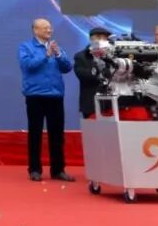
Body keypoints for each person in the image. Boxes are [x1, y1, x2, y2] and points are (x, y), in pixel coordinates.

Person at [18, 18, 75, 182]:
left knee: (57, 135)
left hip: (55, 95)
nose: (49, 30)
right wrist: (46, 55)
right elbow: (28, 66)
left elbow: (67, 67)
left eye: (50, 28)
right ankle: (35, 169)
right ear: (35, 30)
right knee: (35, 133)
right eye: (45, 28)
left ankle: (58, 170)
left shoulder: (56, 47)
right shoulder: (26, 47)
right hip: (35, 95)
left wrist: (58, 55)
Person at [73, 26, 112, 119]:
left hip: (111, 103)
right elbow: (84, 76)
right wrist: (98, 61)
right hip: (91, 103)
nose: (102, 40)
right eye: (99, 37)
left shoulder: (112, 55)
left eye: (105, 38)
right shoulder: (81, 56)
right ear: (92, 39)